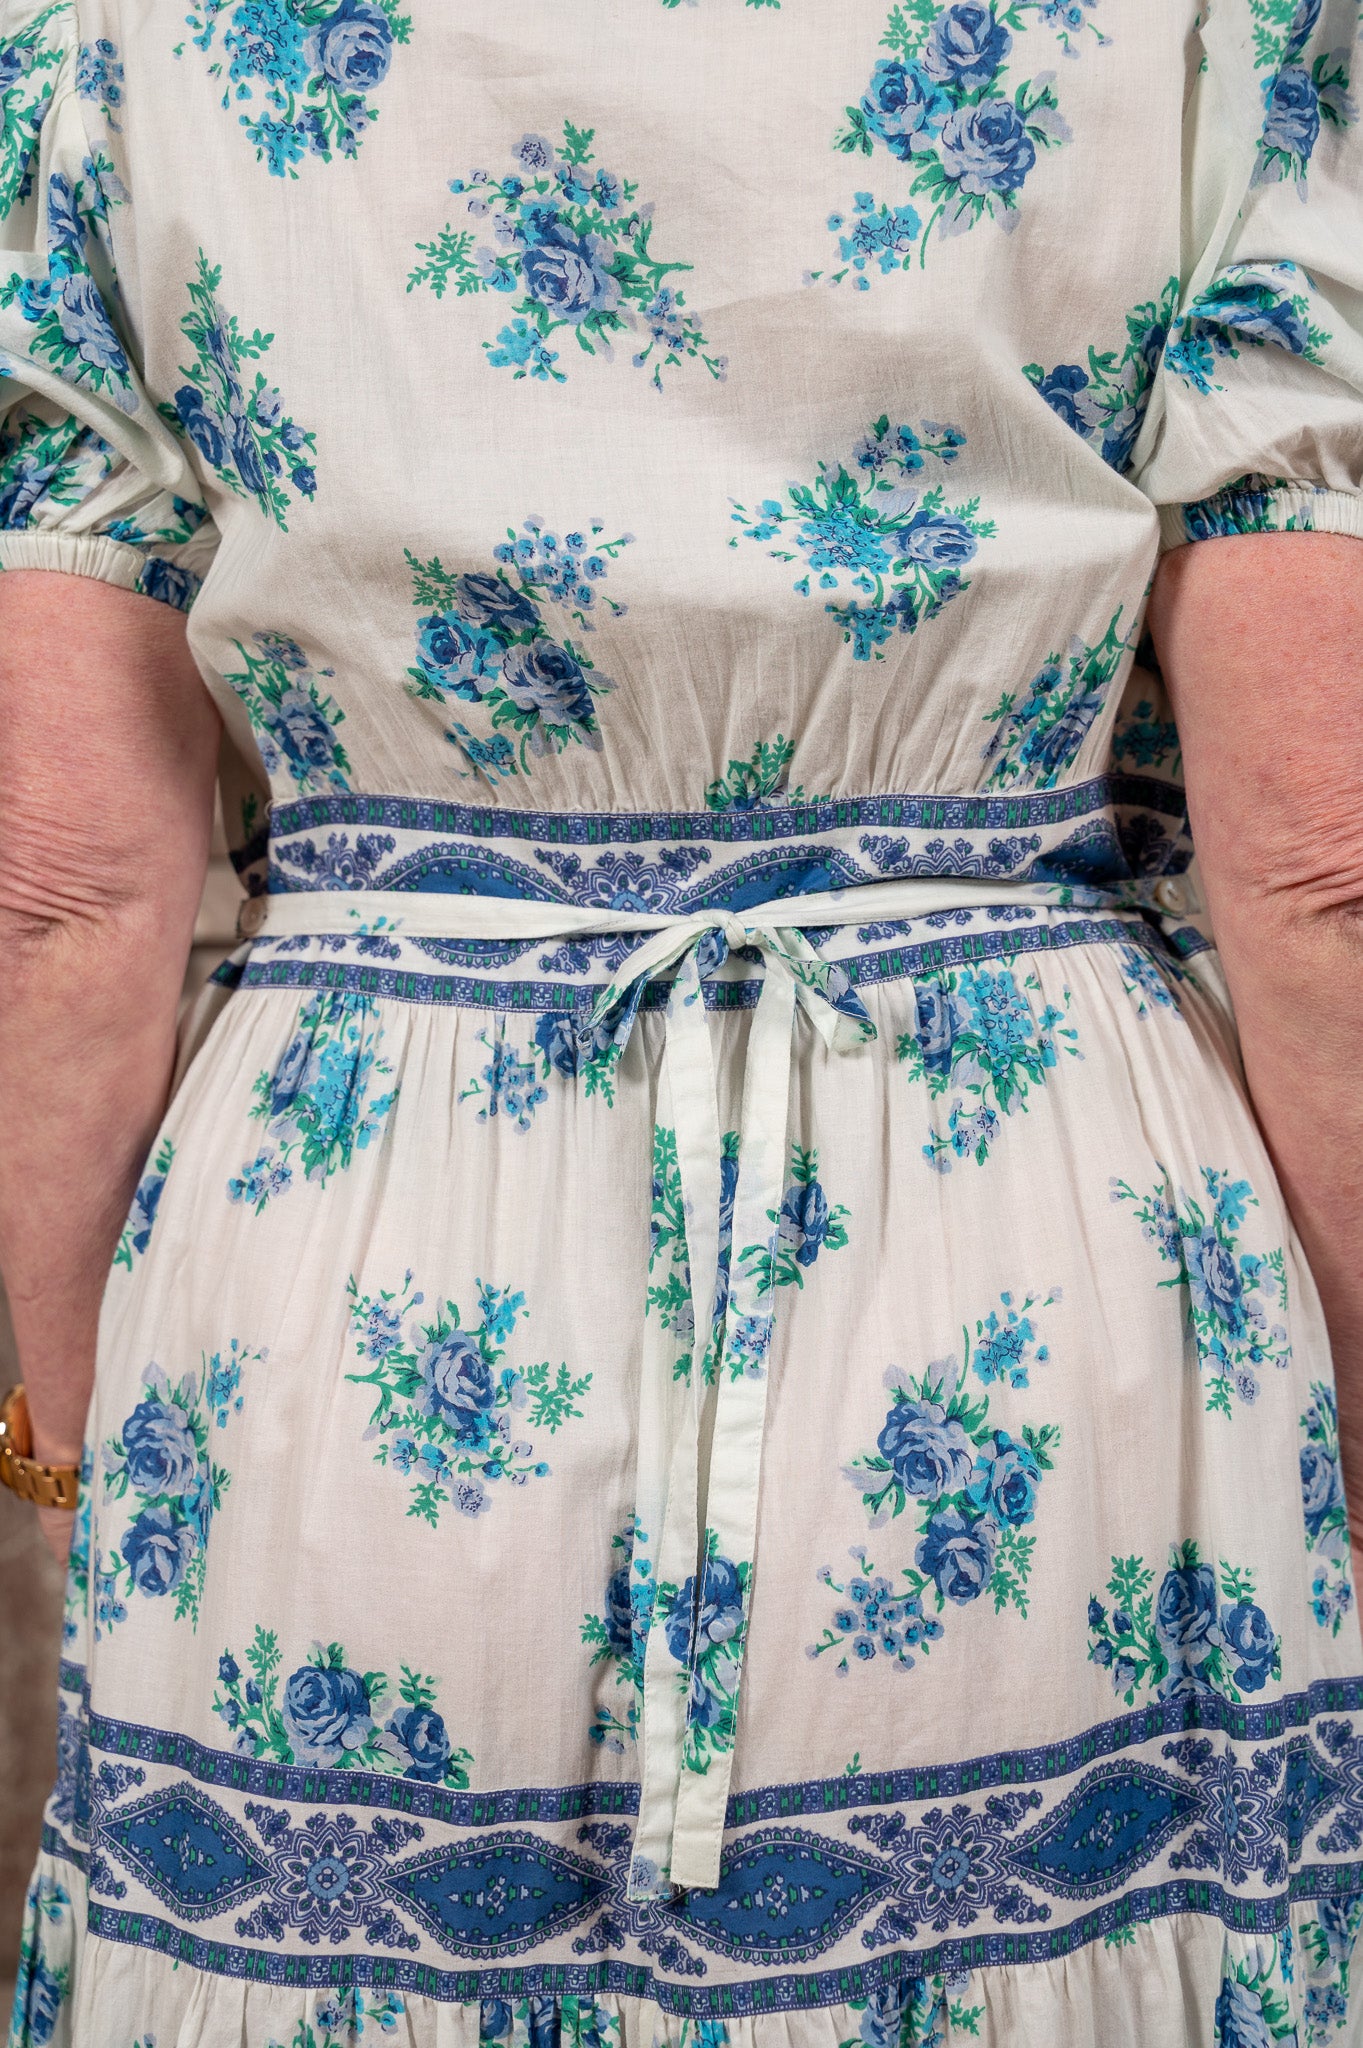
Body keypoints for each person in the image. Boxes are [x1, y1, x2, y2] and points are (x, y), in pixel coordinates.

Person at [1, 0, 1362, 2038]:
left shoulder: (103, 32)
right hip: (1026, 1224)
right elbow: (1323, 863)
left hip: (362, 1252)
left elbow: (59, 893)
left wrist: (69, 1435)